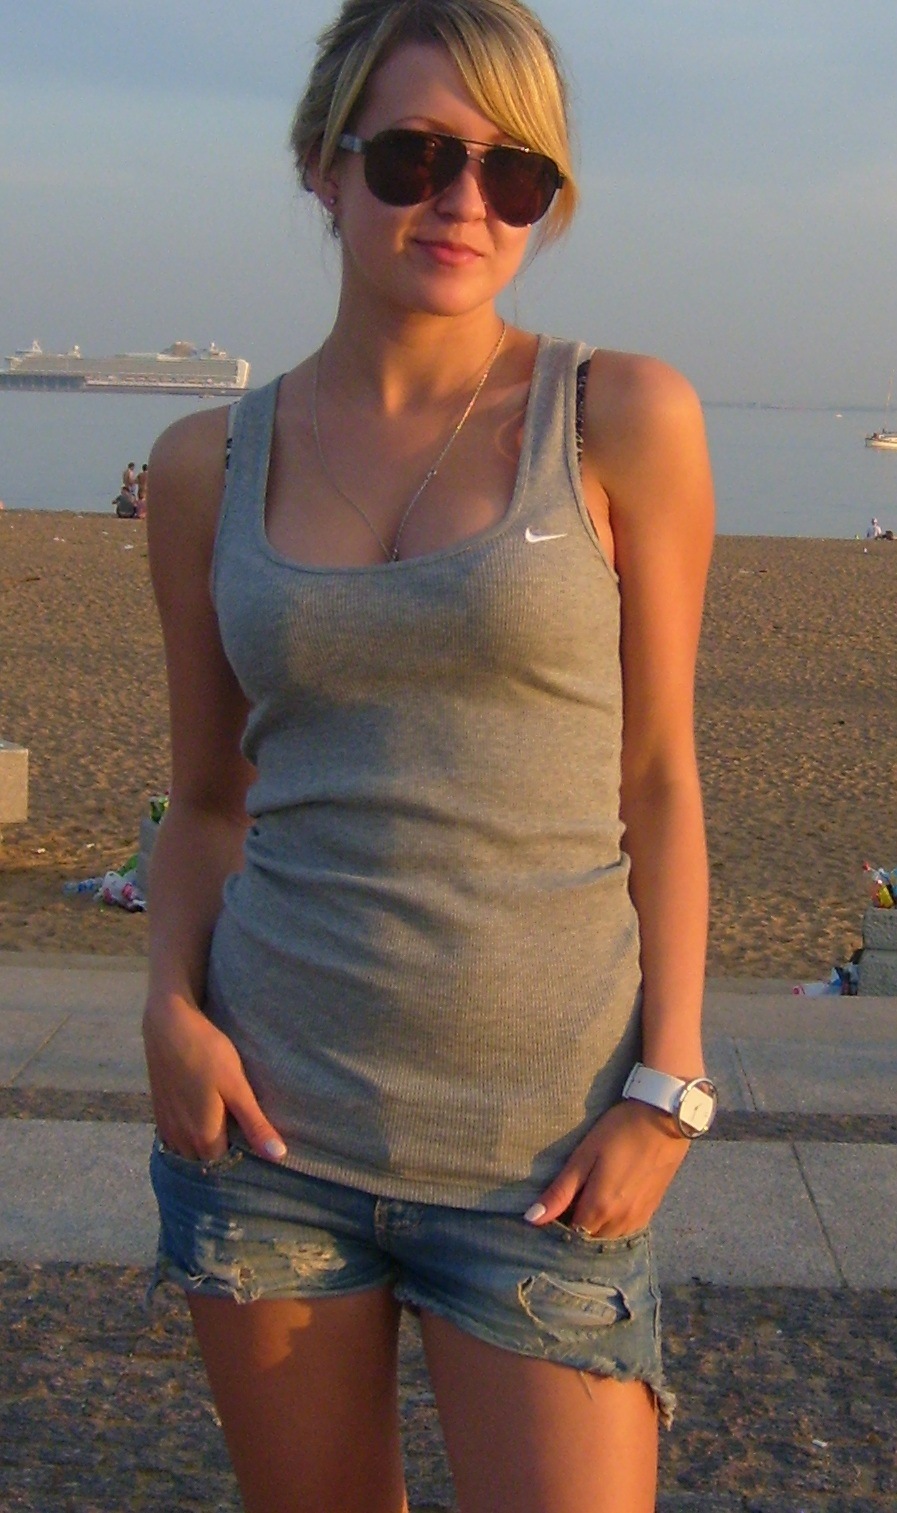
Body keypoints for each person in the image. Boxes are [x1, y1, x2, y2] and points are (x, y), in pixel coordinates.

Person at [142, 3, 715, 1510]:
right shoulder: (208, 464)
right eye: (413, 157)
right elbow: (204, 800)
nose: (464, 202)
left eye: (513, 172)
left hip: (543, 1156)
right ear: (323, 168)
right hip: (267, 1137)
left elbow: (659, 779)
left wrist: (668, 1087)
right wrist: (168, 1012)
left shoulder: (618, 416)